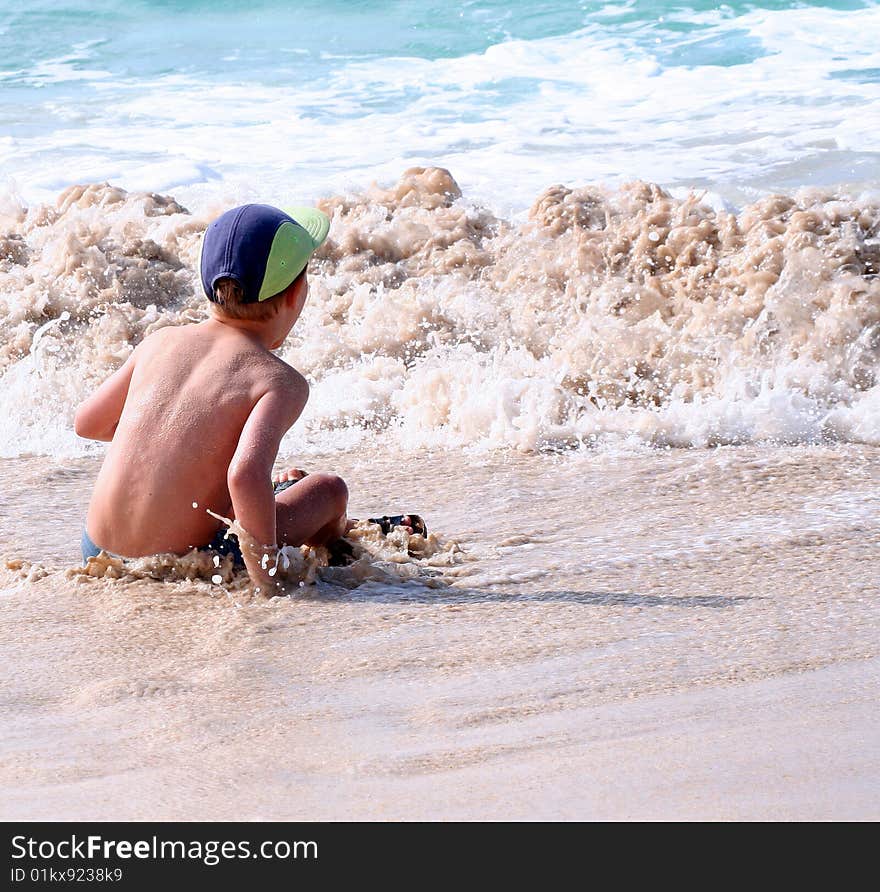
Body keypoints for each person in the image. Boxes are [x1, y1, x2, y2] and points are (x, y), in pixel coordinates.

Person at [75, 203, 422, 594]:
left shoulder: (161, 341)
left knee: (267, 485)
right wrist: (269, 578)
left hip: (97, 549)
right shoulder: (278, 380)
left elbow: (88, 424)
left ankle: (282, 498)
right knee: (327, 490)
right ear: (295, 295)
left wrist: (176, 451)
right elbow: (242, 476)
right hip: (187, 556)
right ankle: (343, 531)